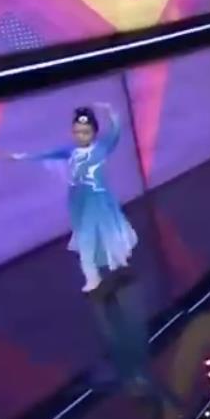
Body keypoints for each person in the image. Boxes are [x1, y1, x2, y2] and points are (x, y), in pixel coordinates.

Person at [10, 103, 136, 292]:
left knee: (105, 233)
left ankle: (114, 262)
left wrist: (111, 113)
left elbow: (115, 131)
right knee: (86, 237)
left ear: (94, 132)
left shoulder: (102, 147)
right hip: (80, 201)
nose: (80, 136)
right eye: (77, 132)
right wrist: (22, 157)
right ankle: (93, 276)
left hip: (100, 201)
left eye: (85, 132)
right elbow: (47, 154)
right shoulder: (71, 151)